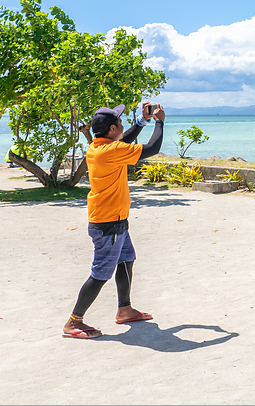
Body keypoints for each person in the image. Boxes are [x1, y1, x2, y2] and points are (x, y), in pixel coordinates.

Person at [62, 102, 165, 339]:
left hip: (114, 219)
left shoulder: (96, 147)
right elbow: (152, 148)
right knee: (100, 273)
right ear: (111, 129)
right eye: (119, 122)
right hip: (109, 225)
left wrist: (142, 121)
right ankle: (73, 322)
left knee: (127, 259)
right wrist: (160, 121)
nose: (122, 124)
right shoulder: (112, 151)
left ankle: (125, 310)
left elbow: (124, 140)